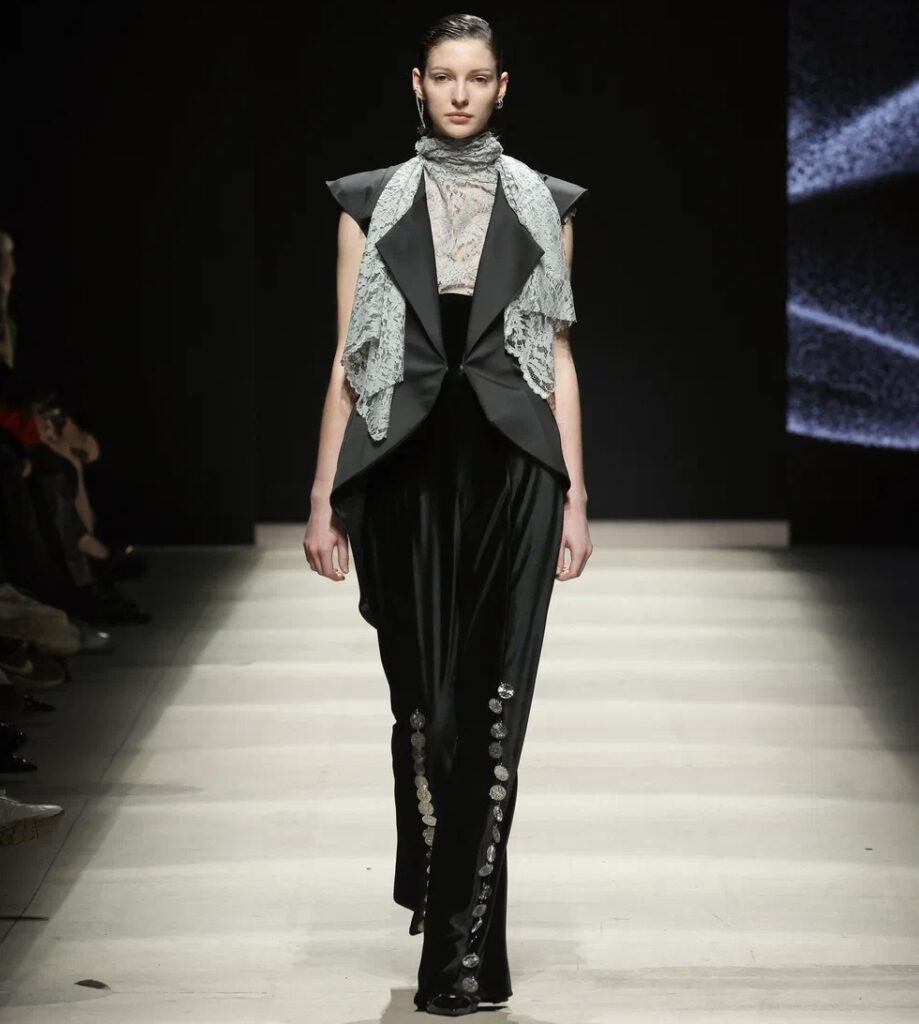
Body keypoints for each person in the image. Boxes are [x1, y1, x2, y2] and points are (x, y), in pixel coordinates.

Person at [305, 14, 593, 1016]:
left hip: (516, 470)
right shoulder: (366, 205)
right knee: (427, 715)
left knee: (490, 711)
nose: (460, 93)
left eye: (476, 77)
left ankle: (461, 959)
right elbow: (350, 357)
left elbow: (556, 354)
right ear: (417, 84)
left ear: (502, 86)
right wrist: (323, 495)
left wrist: (577, 494)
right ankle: (445, 899)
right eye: (443, 76)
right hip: (403, 471)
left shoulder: (547, 203)